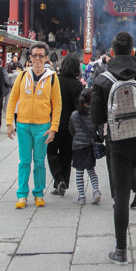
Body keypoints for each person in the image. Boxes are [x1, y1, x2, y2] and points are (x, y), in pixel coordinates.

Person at [91, 31, 136, 265]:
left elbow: (96, 117)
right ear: (133, 51)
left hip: (118, 141)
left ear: (112, 52)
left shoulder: (103, 78)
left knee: (121, 194)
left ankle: (121, 249)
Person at [5, 41, 61, 209]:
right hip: (23, 125)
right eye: (34, 55)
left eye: (41, 56)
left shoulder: (52, 78)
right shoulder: (22, 76)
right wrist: (9, 123)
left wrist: (54, 128)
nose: (37, 59)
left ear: (46, 59)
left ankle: (38, 192)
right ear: (30, 58)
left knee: (38, 161)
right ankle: (22, 194)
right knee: (24, 161)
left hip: (43, 126)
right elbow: (12, 99)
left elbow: (57, 105)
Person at [49, 54, 83, 196]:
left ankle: (58, 179)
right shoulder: (78, 84)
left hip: (55, 122)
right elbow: (78, 107)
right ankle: (64, 183)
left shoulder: (55, 80)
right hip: (70, 124)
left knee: (51, 152)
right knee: (66, 154)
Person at [69, 88, 102, 204]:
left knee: (79, 172)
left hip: (78, 146)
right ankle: (96, 191)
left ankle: (81, 196)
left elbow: (71, 130)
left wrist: (77, 137)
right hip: (90, 146)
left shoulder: (74, 115)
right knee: (91, 171)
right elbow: (98, 130)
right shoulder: (93, 115)